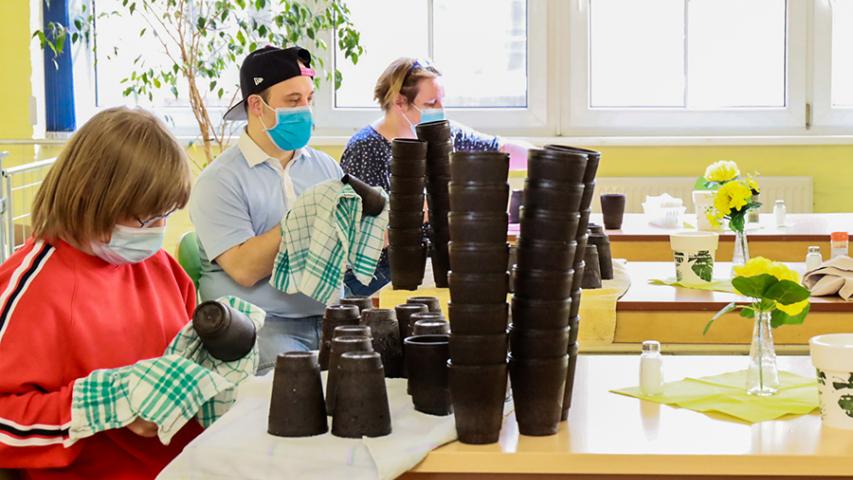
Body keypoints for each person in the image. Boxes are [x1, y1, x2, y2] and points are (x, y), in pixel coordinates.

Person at [0, 107, 202, 477]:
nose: (157, 231)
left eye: (166, 215)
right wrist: (101, 409)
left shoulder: (158, 266)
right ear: (95, 199)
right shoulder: (35, 287)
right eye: (147, 217)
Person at [190, 46, 342, 373]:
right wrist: (306, 217)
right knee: (301, 392)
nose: (306, 111)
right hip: (261, 324)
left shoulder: (325, 167)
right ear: (256, 106)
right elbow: (244, 269)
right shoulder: (219, 181)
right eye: (292, 101)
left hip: (330, 316)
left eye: (309, 99)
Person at [340, 57, 533, 296]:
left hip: (436, 265)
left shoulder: (444, 134)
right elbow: (360, 237)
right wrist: (427, 207)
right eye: (431, 103)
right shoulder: (365, 149)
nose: (440, 110)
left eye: (442, 101)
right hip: (378, 275)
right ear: (400, 102)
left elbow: (500, 149)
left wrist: (546, 160)